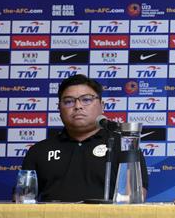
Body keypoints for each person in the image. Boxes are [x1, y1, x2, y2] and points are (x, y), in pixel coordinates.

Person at [21, 74, 148, 202]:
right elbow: (22, 199)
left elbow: (134, 199)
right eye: (69, 101)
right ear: (59, 108)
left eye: (86, 99)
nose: (78, 106)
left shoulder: (124, 146)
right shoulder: (39, 151)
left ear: (102, 106)